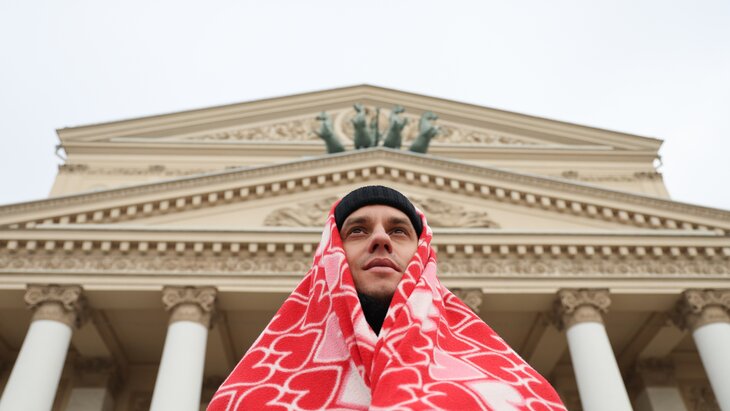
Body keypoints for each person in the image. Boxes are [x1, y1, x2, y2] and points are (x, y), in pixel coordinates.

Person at [208, 186, 566, 410]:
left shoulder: (513, 387)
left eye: (398, 230)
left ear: (421, 253)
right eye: (358, 230)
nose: (380, 239)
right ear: (331, 254)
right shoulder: (250, 395)